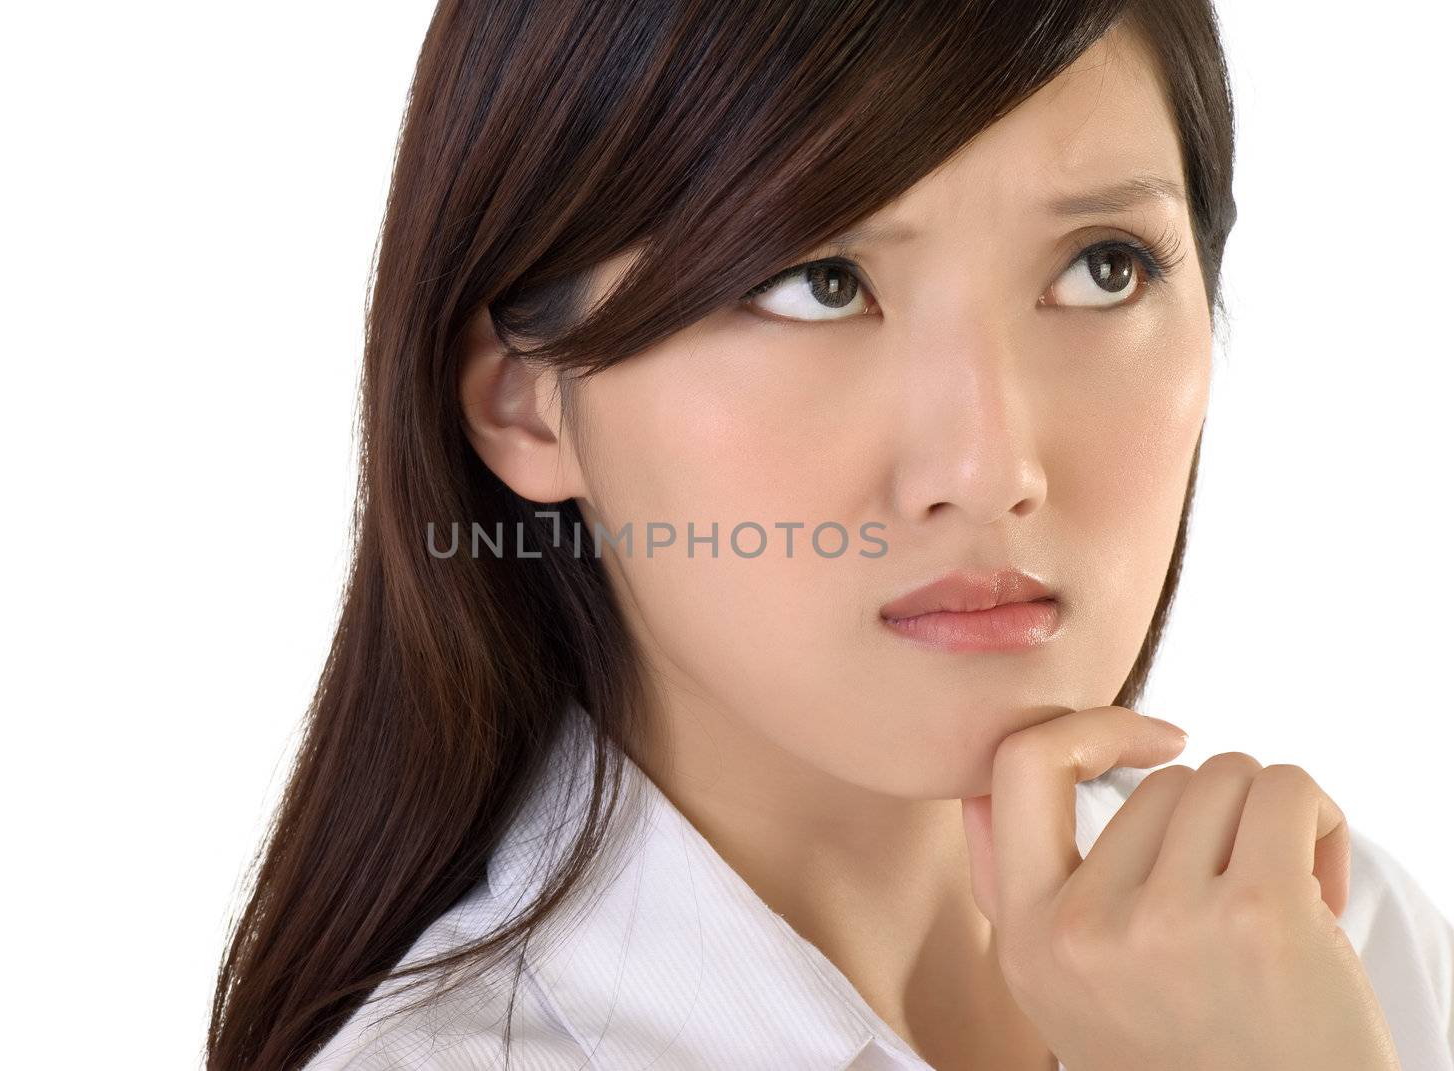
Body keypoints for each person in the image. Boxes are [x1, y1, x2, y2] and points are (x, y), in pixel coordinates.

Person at [205, 2, 1454, 1069]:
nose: (988, 468)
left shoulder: (1331, 946)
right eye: (819, 283)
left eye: (1102, 268)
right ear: (526, 399)